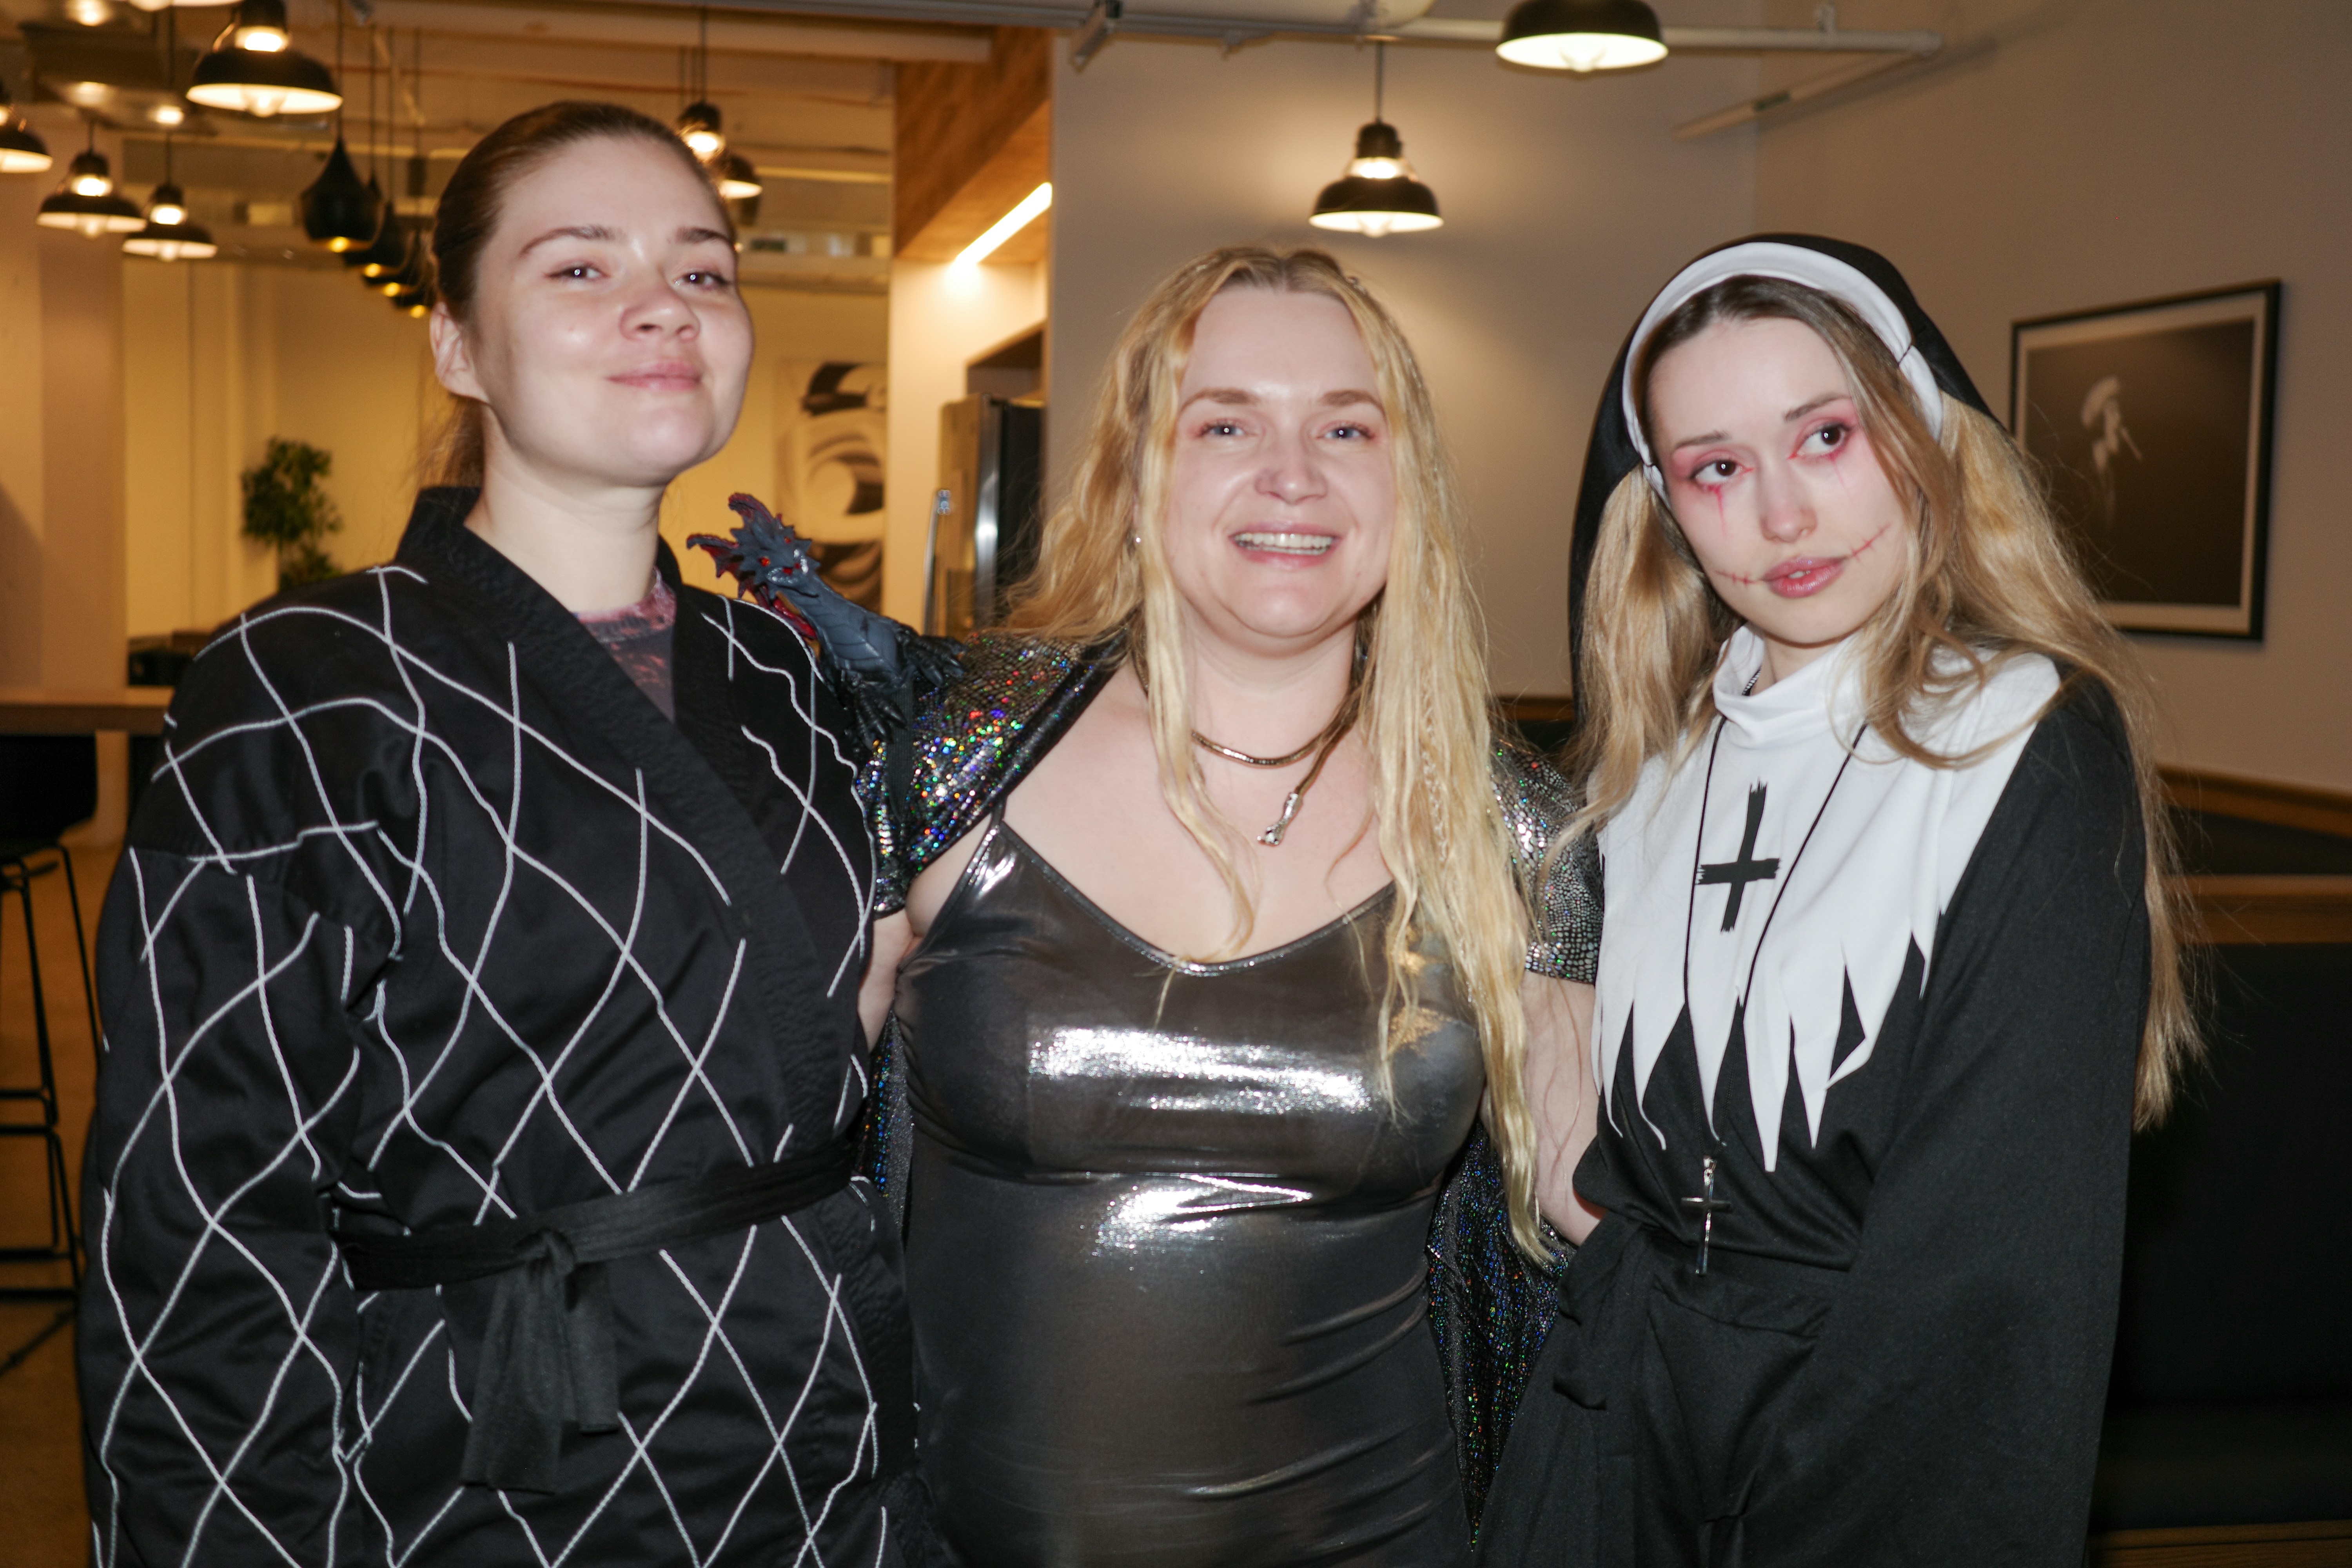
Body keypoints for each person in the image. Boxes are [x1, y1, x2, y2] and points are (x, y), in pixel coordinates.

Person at [78, 102, 923, 1566]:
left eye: (705, 271)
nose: (665, 303)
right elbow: (199, 1219)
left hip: (828, 1441)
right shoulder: (300, 688)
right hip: (500, 1464)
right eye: (581, 269)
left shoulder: (794, 676)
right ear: (459, 345)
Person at [754, 245, 1603, 1566]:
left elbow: (1595, 1208)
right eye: (1226, 423)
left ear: (1406, 483)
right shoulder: (949, 764)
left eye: (1344, 425)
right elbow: (751, 1143)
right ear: (1137, 471)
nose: (1293, 474)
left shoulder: (1517, 830)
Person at [1477, 235, 2197, 1566]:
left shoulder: (2026, 740)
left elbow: (1985, 1289)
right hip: (1610, 1447)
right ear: (1664, 509)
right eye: (1717, 468)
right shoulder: (1647, 765)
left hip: (1873, 1463)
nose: (1783, 518)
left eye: (1826, 436)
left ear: (1925, 433)